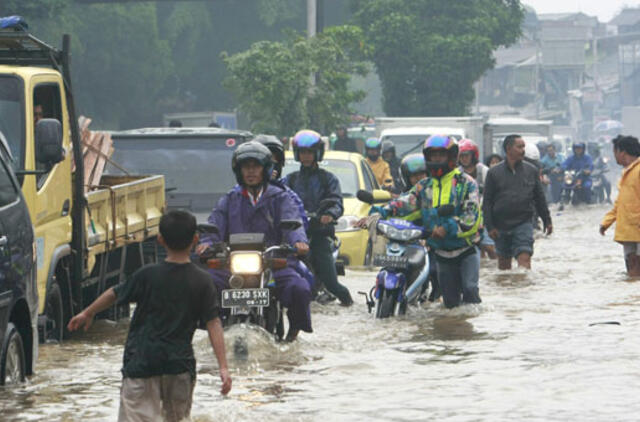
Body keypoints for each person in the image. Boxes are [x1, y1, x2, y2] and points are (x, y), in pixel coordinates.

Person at [67, 210, 232, 422]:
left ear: (161, 239)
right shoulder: (202, 281)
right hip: (179, 368)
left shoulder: (147, 275)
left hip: (142, 365)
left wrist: (87, 313)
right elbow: (213, 323)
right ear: (195, 240)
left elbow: (114, 294)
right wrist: (223, 367)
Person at [199, 141, 312, 342]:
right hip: (232, 264)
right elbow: (215, 223)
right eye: (246, 167)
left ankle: (293, 334)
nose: (250, 172)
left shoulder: (281, 197)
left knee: (299, 288)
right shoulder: (230, 198)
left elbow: (294, 224)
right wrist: (207, 242)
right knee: (203, 286)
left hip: (272, 263)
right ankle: (212, 331)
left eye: (256, 166)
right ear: (239, 171)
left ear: (266, 169)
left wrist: (298, 242)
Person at [361, 135, 482, 309]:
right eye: (433, 155)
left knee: (470, 291)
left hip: (466, 250)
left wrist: (447, 228)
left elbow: (471, 218)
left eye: (441, 155)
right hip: (441, 253)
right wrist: (379, 213)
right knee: (450, 304)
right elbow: (404, 203)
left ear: (452, 156)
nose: (437, 159)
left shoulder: (466, 183)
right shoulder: (424, 186)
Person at [286, 130, 354, 306]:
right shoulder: (290, 180)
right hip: (294, 237)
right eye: (303, 152)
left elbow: (336, 202)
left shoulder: (328, 179)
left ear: (317, 154)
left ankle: (349, 303)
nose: (306, 156)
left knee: (332, 284)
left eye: (310, 152)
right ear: (297, 154)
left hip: (319, 235)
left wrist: (329, 215)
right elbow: (278, 199)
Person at [483, 135, 552, 270]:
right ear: (508, 149)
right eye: (519, 147)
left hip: (523, 223)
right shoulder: (493, 173)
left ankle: (524, 288)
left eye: (523, 147)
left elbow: (539, 198)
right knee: (503, 265)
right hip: (500, 226)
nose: (523, 150)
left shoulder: (531, 171)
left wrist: (547, 220)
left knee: (524, 258)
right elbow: (487, 202)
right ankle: (509, 289)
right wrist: (490, 226)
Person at [600, 135, 640, 277]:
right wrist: (606, 222)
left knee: (636, 268)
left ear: (622, 153)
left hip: (637, 227)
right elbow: (620, 203)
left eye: (614, 152)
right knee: (632, 270)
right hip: (629, 231)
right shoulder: (627, 173)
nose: (614, 156)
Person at [458, 139, 497, 260]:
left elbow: (493, 191)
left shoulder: (483, 170)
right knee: (474, 246)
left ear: (473, 155)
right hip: (466, 214)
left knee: (489, 247)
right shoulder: (458, 173)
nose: (464, 159)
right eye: (461, 156)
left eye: (467, 156)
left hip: (485, 213)